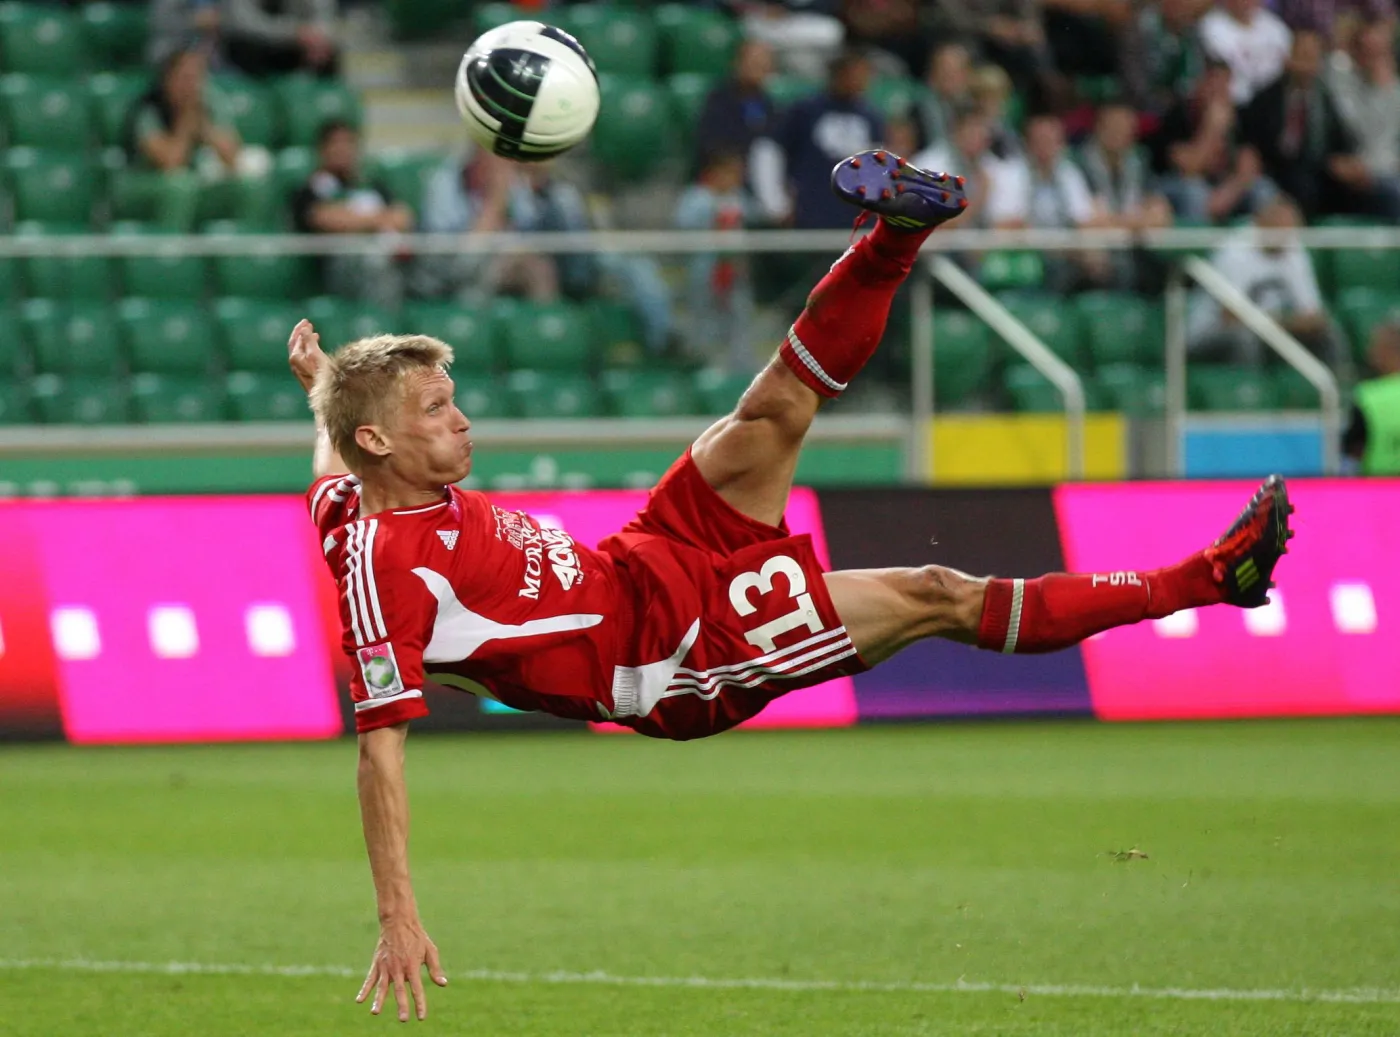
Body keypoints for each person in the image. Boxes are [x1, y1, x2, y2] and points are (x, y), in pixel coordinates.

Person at [286, 149, 1294, 1022]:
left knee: (769, 409)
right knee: (934, 592)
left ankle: (897, 235)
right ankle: (1212, 575)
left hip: (644, 557)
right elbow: (380, 751)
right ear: (383, 439)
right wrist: (398, 912)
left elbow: (333, 466)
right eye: (434, 410)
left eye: (454, 399)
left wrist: (325, 384)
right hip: (668, 658)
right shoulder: (384, 566)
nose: (462, 420)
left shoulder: (353, 489)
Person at [1239, 28, 1400, 222]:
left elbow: (1339, 143)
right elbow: (1256, 147)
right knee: (1293, 191)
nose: (1305, 65)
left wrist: (1348, 164)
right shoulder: (1266, 99)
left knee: (1385, 196)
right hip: (1277, 174)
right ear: (1288, 58)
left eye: (1311, 58)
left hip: (1322, 175)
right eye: (1301, 56)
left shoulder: (1326, 98)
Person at [114, 48, 271, 232]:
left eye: (197, 78)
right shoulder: (147, 109)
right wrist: (186, 123)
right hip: (144, 184)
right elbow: (171, 163)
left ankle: (245, 246)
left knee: (248, 186)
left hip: (194, 182)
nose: (191, 86)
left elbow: (233, 158)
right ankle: (171, 247)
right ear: (167, 79)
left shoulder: (209, 103)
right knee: (181, 186)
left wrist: (206, 129)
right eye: (184, 77)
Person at [1186, 194, 1348, 369]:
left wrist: (1292, 323)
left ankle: (1340, 382)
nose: (1286, 237)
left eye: (1290, 230)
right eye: (1279, 228)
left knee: (1326, 331)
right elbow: (1230, 318)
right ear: (1260, 223)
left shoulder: (1293, 249)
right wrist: (1285, 322)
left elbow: (1312, 314)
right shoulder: (1234, 252)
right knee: (1244, 337)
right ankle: (1249, 386)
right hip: (1210, 334)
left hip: (1269, 331)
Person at [752, 48, 885, 228]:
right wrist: (775, 203)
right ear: (838, 74)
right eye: (854, 74)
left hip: (854, 217)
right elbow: (770, 151)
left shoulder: (871, 117)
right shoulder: (805, 111)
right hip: (810, 212)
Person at [292, 120, 413, 309]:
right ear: (322, 150)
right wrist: (378, 220)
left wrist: (355, 220)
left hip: (385, 258)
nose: (343, 150)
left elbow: (403, 217)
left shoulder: (372, 184)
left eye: (349, 143)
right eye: (336, 143)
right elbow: (325, 218)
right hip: (335, 268)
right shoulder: (310, 189)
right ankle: (383, 316)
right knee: (374, 260)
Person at [1150, 57, 1277, 223]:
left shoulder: (1239, 115)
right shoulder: (1179, 114)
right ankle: (1197, 240)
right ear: (1200, 84)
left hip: (1225, 187)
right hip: (1176, 184)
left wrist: (1227, 194)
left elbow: (1249, 165)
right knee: (1195, 192)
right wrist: (1211, 129)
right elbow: (1189, 167)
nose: (1218, 91)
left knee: (1263, 189)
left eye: (1225, 84)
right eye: (1213, 83)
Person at [676, 150, 757, 372]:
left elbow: (757, 216)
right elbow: (682, 225)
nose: (736, 179)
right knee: (703, 317)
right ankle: (704, 367)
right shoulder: (695, 198)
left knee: (740, 317)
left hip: (736, 270)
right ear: (715, 173)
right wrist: (712, 212)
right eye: (731, 173)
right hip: (705, 270)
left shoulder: (739, 198)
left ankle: (741, 369)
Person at [1327, 19, 1400, 205]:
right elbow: (1360, 133)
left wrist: (1383, 88)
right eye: (1367, 51)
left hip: (1387, 170)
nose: (1373, 59)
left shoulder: (1395, 90)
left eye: (1379, 52)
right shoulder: (1342, 84)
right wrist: (1378, 89)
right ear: (1355, 52)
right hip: (1360, 171)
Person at [695, 39, 777, 178]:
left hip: (760, 175)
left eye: (763, 65)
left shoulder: (768, 104)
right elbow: (711, 144)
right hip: (726, 177)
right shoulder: (719, 99)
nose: (758, 69)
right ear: (737, 63)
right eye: (753, 63)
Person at [1199, 0, 1294, 105]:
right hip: (1230, 96)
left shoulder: (1276, 27)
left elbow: (1281, 63)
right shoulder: (1211, 25)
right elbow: (1226, 66)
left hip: (1268, 92)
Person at [223, 0, 338, 78]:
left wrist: (317, 36)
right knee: (247, 47)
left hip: (297, 44)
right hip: (253, 45)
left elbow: (323, 15)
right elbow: (242, 23)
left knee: (328, 52)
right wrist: (295, 32)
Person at [1343, 319, 1400, 474]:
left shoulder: (1368, 395)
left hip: (1378, 484)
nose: (1369, 352)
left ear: (1388, 350)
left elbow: (1353, 450)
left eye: (1375, 346)